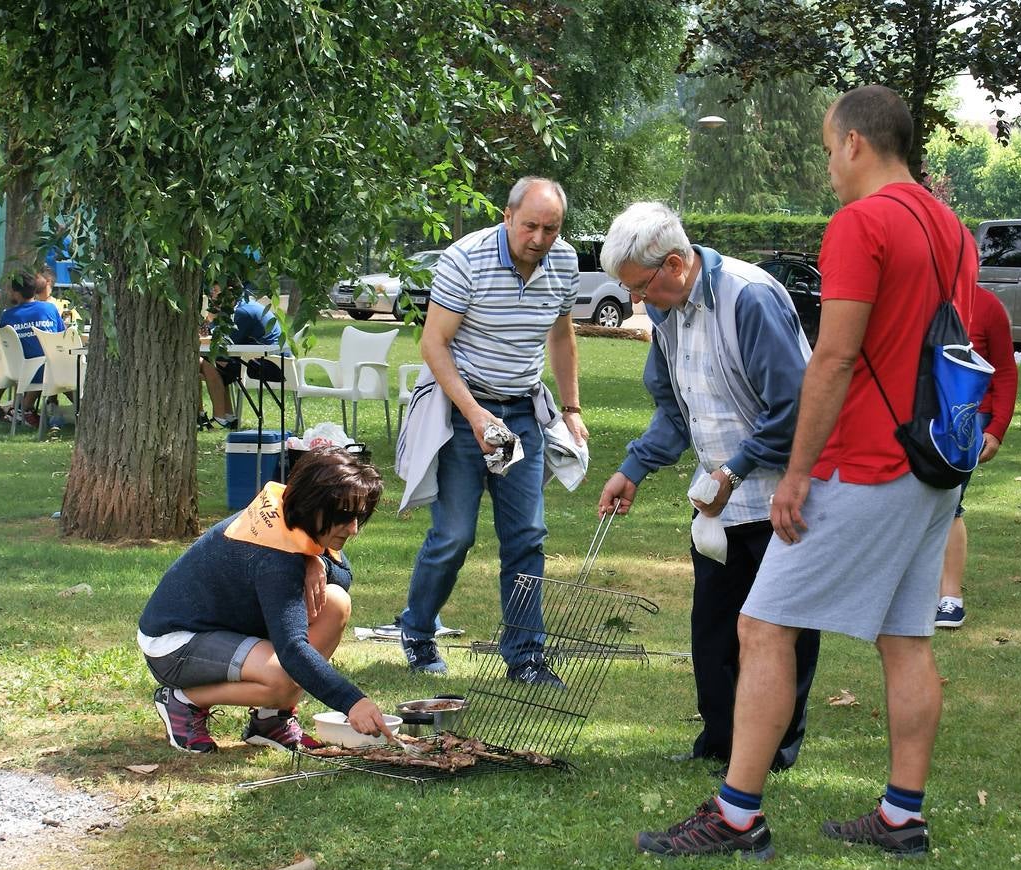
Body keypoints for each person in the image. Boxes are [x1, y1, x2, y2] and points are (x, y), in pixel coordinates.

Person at [637, 86, 977, 861]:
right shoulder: (951, 226)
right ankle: (902, 817)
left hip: (867, 461)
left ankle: (736, 814)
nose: (828, 166)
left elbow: (834, 357)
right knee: (906, 639)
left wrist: (795, 476)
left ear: (856, 143)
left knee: (762, 626)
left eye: (828, 149)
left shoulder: (862, 222)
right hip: (934, 462)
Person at [596, 201, 821, 769]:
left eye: (642, 287)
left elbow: (795, 409)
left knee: (779, 631)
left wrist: (733, 470)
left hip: (782, 495)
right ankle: (720, 742)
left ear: (675, 263)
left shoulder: (749, 297)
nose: (638, 303)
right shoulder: (669, 317)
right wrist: (634, 468)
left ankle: (774, 751)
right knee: (714, 630)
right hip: (719, 501)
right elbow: (673, 409)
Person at [394, 176, 587, 685]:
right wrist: (477, 416)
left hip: (521, 412)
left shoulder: (564, 262)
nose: (541, 239)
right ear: (507, 216)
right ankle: (416, 630)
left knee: (526, 537)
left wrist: (571, 408)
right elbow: (434, 345)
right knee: (454, 535)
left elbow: (562, 336)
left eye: (551, 228)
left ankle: (525, 657)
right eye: (531, 226)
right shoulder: (465, 260)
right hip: (461, 410)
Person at [138, 446, 393, 753]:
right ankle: (182, 702)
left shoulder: (292, 515)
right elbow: (293, 650)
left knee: (335, 601)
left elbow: (343, 577)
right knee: (282, 676)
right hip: (174, 644)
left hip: (224, 630)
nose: (352, 529)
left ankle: (272, 720)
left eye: (358, 517)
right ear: (315, 504)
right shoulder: (275, 557)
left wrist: (316, 560)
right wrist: (353, 702)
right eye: (344, 517)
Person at [936, 286, 1018, 628]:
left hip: (968, 418)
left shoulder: (986, 306)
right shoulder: (914, 298)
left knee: (949, 499)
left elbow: (1005, 370)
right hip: (921, 418)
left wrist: (997, 428)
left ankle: (951, 597)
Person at [199, 283, 288, 430]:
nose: (211, 294)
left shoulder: (242, 312)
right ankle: (225, 416)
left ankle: (219, 417)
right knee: (208, 362)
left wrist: (209, 320)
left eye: (215, 290)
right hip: (258, 360)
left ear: (229, 292)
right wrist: (211, 318)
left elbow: (220, 342)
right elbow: (211, 335)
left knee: (208, 362)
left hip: (271, 366)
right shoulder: (238, 308)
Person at [0, 272, 67, 426]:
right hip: (50, 370)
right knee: (69, 370)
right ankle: (79, 412)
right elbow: (63, 336)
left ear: (15, 292)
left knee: (47, 363)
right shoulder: (49, 309)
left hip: (19, 371)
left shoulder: (7, 316)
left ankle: (22, 409)